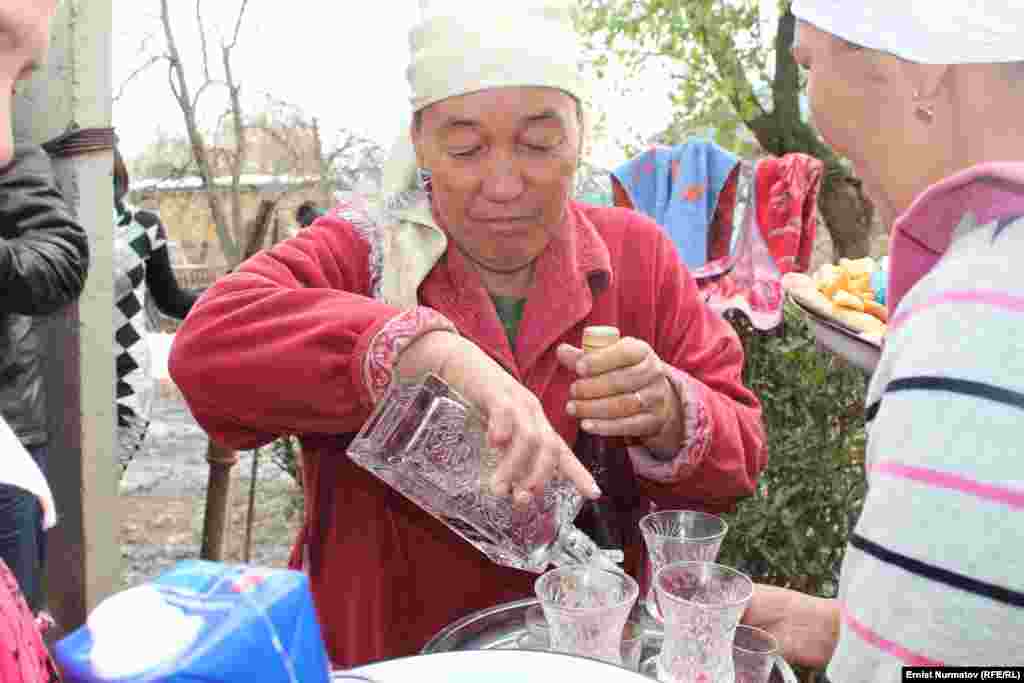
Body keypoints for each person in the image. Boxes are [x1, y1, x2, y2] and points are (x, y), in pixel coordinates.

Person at [169, 0, 766, 667]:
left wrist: (668, 411)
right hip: (393, 659)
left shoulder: (637, 258)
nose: (504, 183)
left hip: (589, 661)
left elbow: (740, 457)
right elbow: (204, 354)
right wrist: (422, 352)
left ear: (580, 135)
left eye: (539, 143)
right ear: (420, 143)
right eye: (465, 148)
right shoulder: (364, 254)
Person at [742, 1, 1024, 676]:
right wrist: (861, 629)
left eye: (808, 63)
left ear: (920, 66)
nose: (809, 107)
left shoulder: (976, 309)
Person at [0, 0, 89, 617]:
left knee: (12, 640)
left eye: (19, 79)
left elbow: (60, 261)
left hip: (4, 445)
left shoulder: (14, 163)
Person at [113, 145, 201, 475]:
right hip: (63, 374)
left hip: (125, 374)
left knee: (102, 485)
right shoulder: (54, 225)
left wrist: (225, 299)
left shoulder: (143, 226)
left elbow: (170, 299)